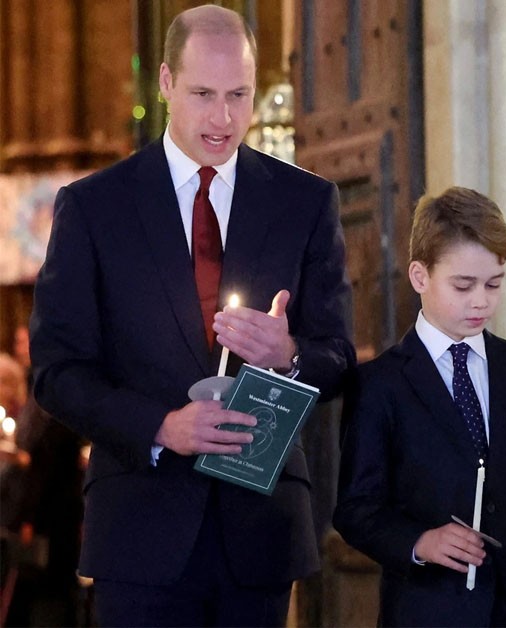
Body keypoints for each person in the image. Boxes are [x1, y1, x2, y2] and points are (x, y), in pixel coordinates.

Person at [29, 5, 354, 625]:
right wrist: (160, 427)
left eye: (239, 95)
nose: (223, 118)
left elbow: (338, 359)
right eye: (204, 94)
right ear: (166, 82)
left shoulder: (306, 203)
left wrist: (288, 354)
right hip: (139, 529)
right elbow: (56, 371)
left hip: (261, 531)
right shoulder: (95, 207)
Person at [333, 187, 506, 627]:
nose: (481, 300)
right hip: (428, 612)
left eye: (494, 284)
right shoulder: (379, 384)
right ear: (420, 276)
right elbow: (357, 509)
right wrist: (419, 542)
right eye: (463, 285)